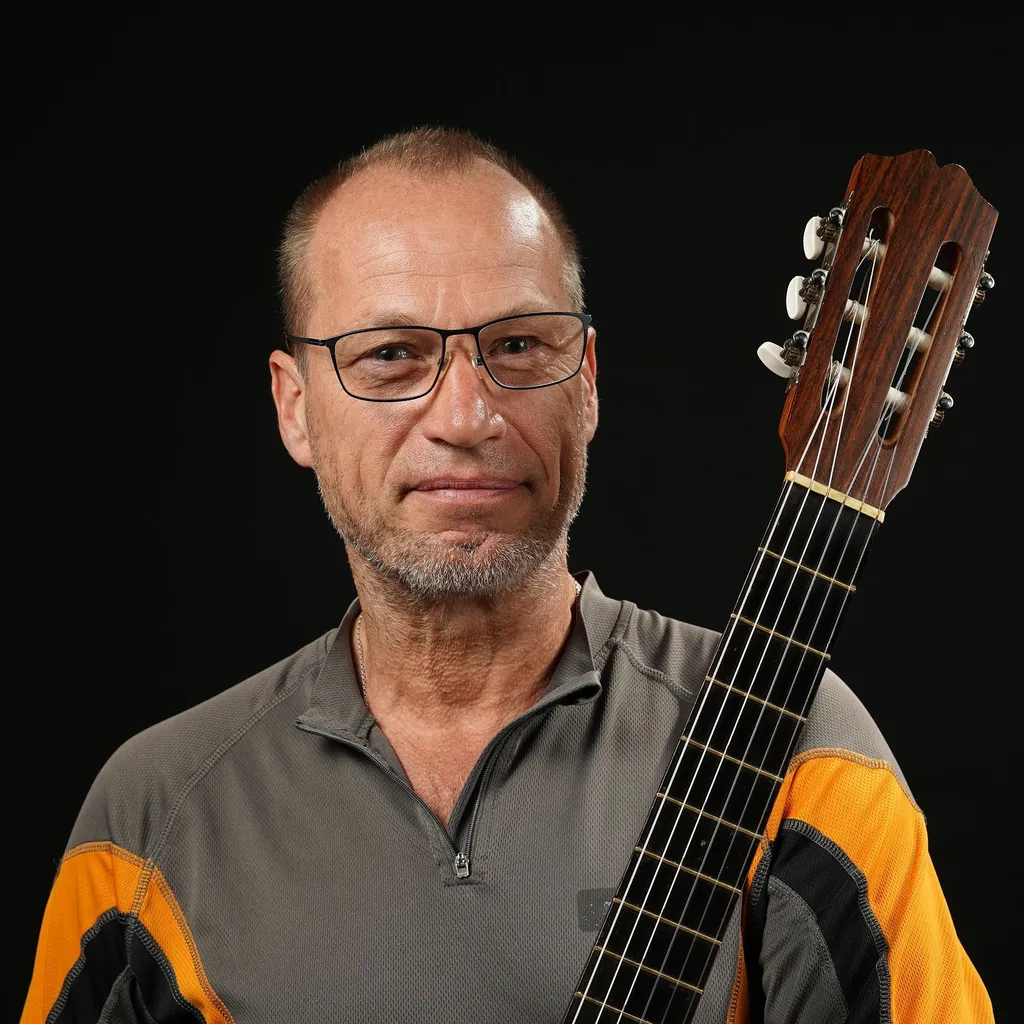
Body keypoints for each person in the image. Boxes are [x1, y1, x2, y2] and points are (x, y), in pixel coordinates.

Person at [21, 127, 993, 1024]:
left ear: (590, 381)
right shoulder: (151, 818)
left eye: (518, 347)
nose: (465, 416)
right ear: (294, 407)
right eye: (392, 355)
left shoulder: (802, 754)